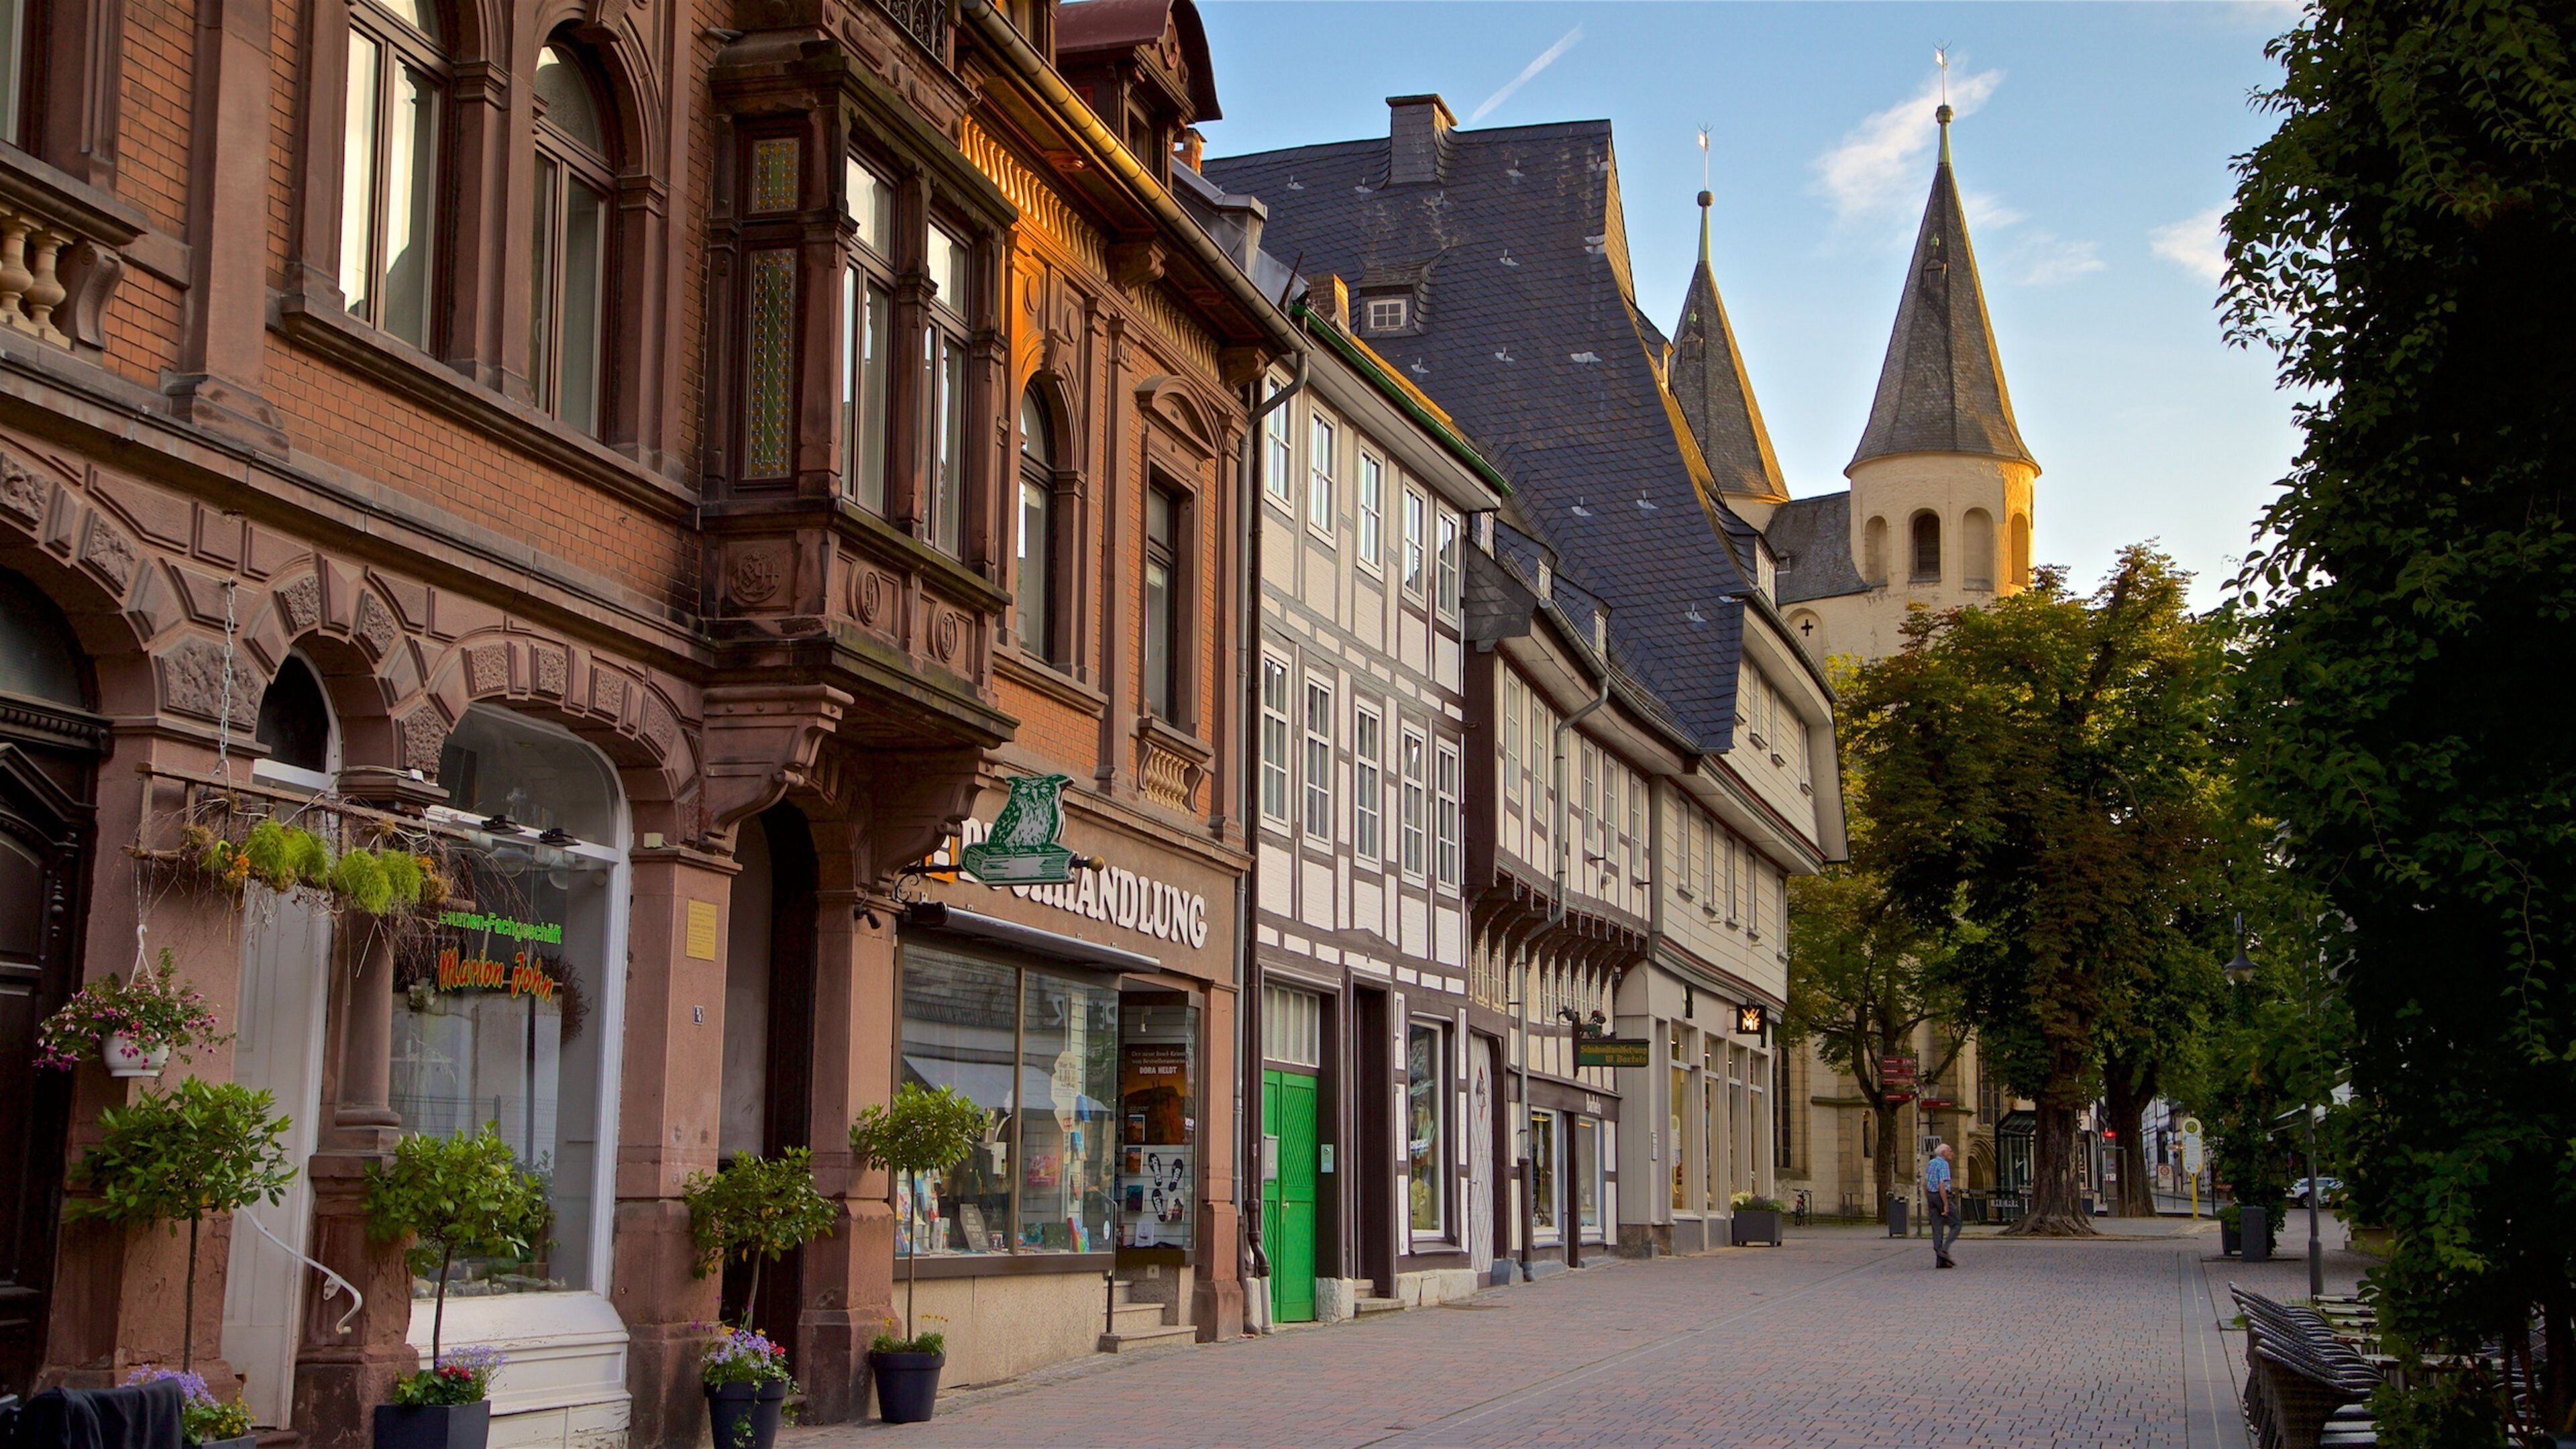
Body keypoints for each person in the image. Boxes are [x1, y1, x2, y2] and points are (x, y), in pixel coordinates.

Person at [1927, 1141, 1960, 1268]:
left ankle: (1940, 1261)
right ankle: (1944, 1250)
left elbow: (1925, 1182)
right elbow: (1942, 1185)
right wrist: (1946, 1204)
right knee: (1957, 1223)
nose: (1952, 1154)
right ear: (1944, 1153)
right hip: (1942, 1196)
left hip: (1931, 1195)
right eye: (1950, 1151)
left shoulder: (1931, 1163)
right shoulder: (1944, 1164)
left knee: (1937, 1227)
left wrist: (1929, 1199)